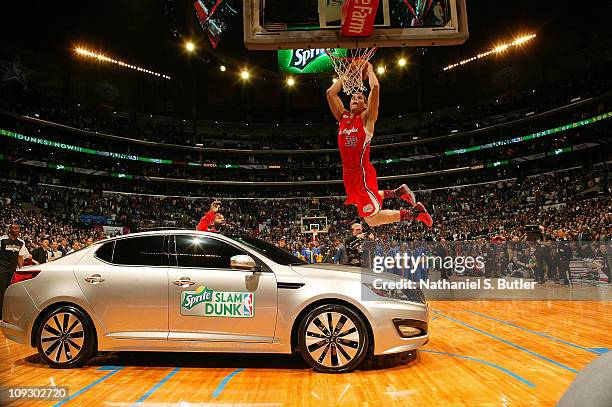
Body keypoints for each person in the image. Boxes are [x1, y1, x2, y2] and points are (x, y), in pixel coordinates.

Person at [326, 61, 432, 229]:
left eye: (360, 97)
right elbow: (331, 93)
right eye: (353, 97)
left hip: (362, 174)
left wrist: (370, 70)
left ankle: (416, 213)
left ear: (366, 105)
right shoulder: (343, 118)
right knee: (358, 204)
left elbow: (375, 89)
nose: (355, 98)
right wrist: (345, 75)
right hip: (348, 175)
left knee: (371, 219)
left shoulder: (367, 118)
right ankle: (398, 193)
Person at [0, 224, 28, 319]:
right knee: (2, 291)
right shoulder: (2, 240)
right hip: (2, 269)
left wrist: (21, 270)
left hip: (13, 270)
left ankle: (7, 313)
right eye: (14, 228)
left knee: (11, 292)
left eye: (18, 229)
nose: (17, 230)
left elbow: (20, 257)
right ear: (10, 229)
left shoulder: (21, 243)